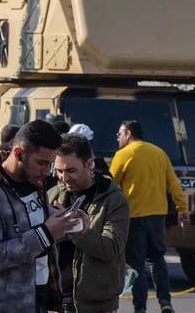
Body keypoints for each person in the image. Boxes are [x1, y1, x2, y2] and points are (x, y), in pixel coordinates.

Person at [0, 120, 85, 313]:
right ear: (19, 153)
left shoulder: (34, 182)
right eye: (42, 163)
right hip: (0, 307)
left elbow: (32, 228)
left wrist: (67, 224)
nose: (47, 172)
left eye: (50, 165)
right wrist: (46, 233)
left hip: (38, 302)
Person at [111, 120, 188, 313]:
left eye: (120, 134)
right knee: (157, 260)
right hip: (157, 216)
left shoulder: (123, 155)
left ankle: (140, 308)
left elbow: (110, 185)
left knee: (137, 264)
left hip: (134, 216)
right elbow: (174, 184)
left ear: (128, 133)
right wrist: (182, 208)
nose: (118, 138)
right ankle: (165, 302)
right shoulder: (159, 153)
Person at [51, 134, 131, 313]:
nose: (65, 178)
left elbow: (110, 248)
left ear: (89, 164)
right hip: (55, 301)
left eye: (71, 171)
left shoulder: (113, 201)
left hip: (95, 304)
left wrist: (73, 227)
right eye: (59, 171)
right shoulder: (54, 195)